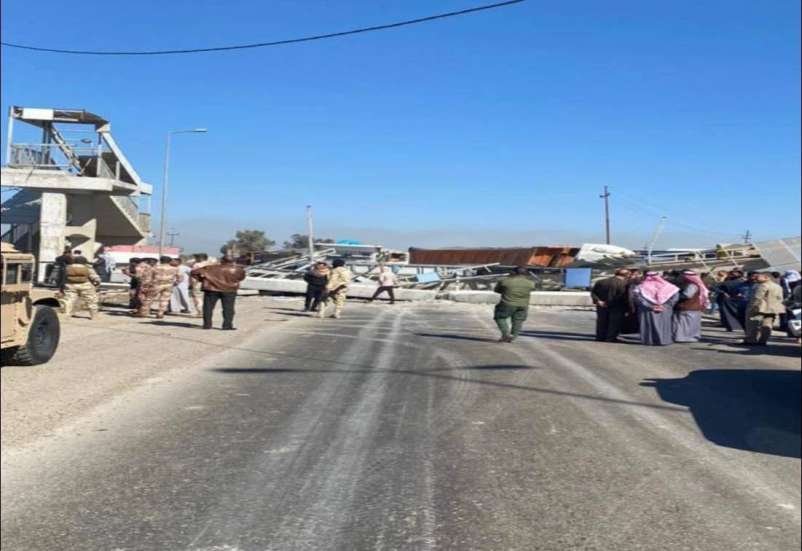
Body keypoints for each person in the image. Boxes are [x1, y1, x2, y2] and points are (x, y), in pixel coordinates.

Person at [192, 255, 246, 330]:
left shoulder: (210, 267)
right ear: (233, 261)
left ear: (221, 260)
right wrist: (232, 281)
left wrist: (202, 279)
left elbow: (194, 272)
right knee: (228, 308)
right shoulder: (238, 269)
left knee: (208, 308)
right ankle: (227, 326)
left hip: (211, 289)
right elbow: (241, 278)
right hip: (229, 290)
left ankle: (207, 325)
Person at [633, 271, 680, 345]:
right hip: (664, 310)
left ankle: (649, 341)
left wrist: (650, 306)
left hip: (647, 310)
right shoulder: (670, 287)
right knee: (664, 325)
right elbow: (675, 298)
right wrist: (665, 306)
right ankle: (664, 341)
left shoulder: (640, 287)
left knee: (648, 325)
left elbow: (639, 299)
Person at [492, 266, 535, 343]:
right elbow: (532, 289)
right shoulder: (531, 283)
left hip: (507, 303)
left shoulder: (505, 281)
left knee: (500, 317)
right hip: (523, 305)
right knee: (518, 320)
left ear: (513, 272)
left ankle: (506, 334)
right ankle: (513, 336)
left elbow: (497, 290)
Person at [743, 272, 785, 346]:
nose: (756, 278)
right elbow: (780, 298)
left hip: (760, 308)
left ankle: (751, 340)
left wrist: (752, 307)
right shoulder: (778, 286)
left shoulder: (763, 285)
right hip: (772, 308)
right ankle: (763, 340)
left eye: (759, 276)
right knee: (767, 325)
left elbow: (757, 297)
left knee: (753, 324)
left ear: (766, 277)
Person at [590, 268, 630, 342]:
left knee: (601, 322)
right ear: (627, 275)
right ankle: (611, 338)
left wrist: (598, 301)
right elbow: (624, 297)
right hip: (617, 306)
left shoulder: (601, 281)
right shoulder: (625, 284)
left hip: (602, 305)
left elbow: (593, 292)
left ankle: (600, 337)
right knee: (614, 323)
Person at [673, 270, 710, 343]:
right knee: (691, 324)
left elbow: (687, 295)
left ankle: (683, 338)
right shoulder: (697, 284)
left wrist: (675, 296)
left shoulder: (691, 285)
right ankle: (691, 337)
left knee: (685, 324)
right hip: (694, 307)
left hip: (688, 307)